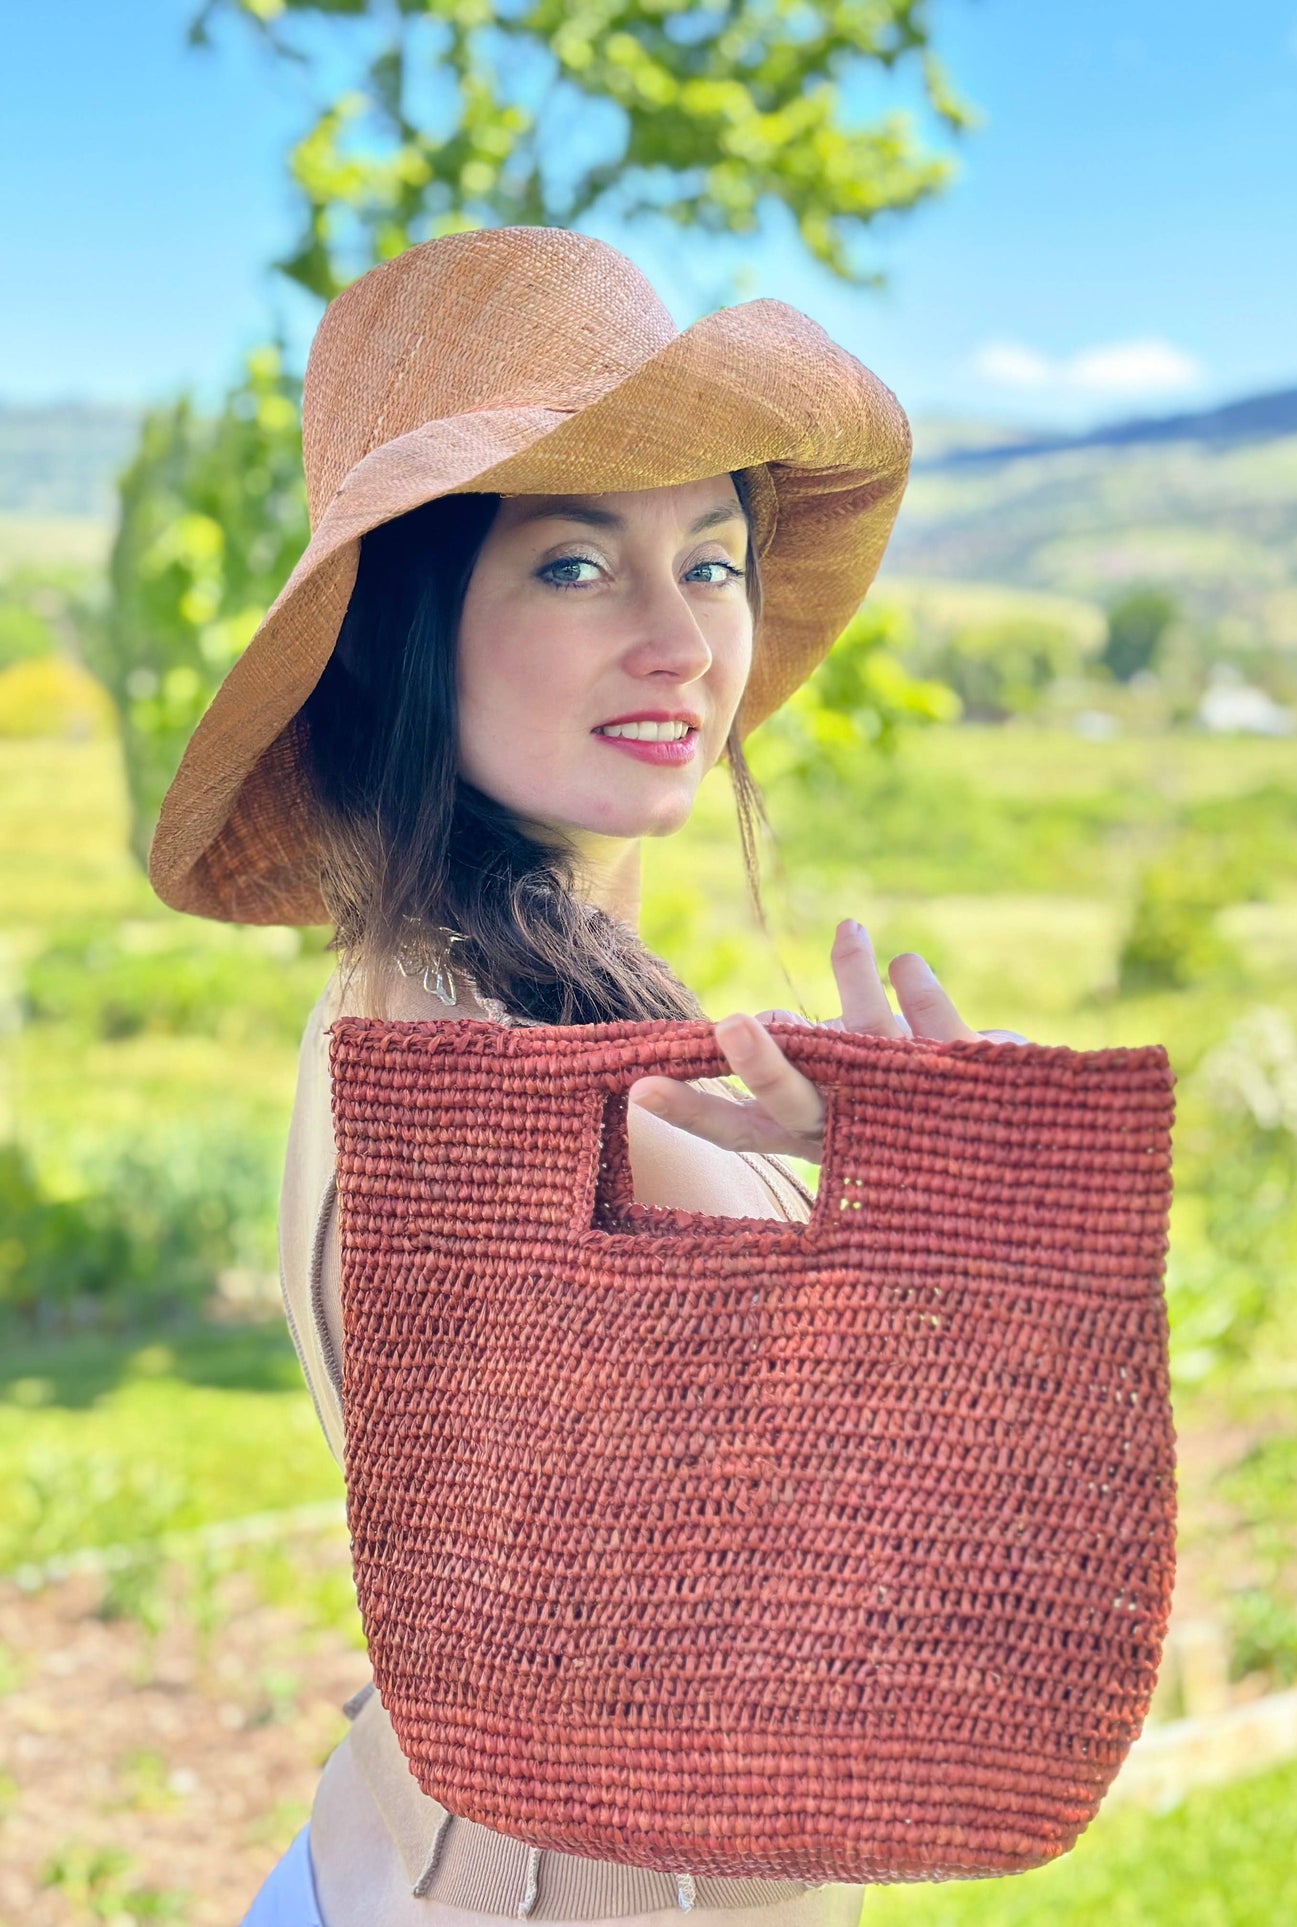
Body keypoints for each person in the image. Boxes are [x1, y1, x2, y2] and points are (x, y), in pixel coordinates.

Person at [146, 226, 1023, 1926]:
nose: (683, 642)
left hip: (371, 1868)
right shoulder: (542, 1089)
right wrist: (946, 1219)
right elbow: (917, 1624)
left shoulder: (410, 998)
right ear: (412, 630)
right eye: (571, 564)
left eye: (709, 559)